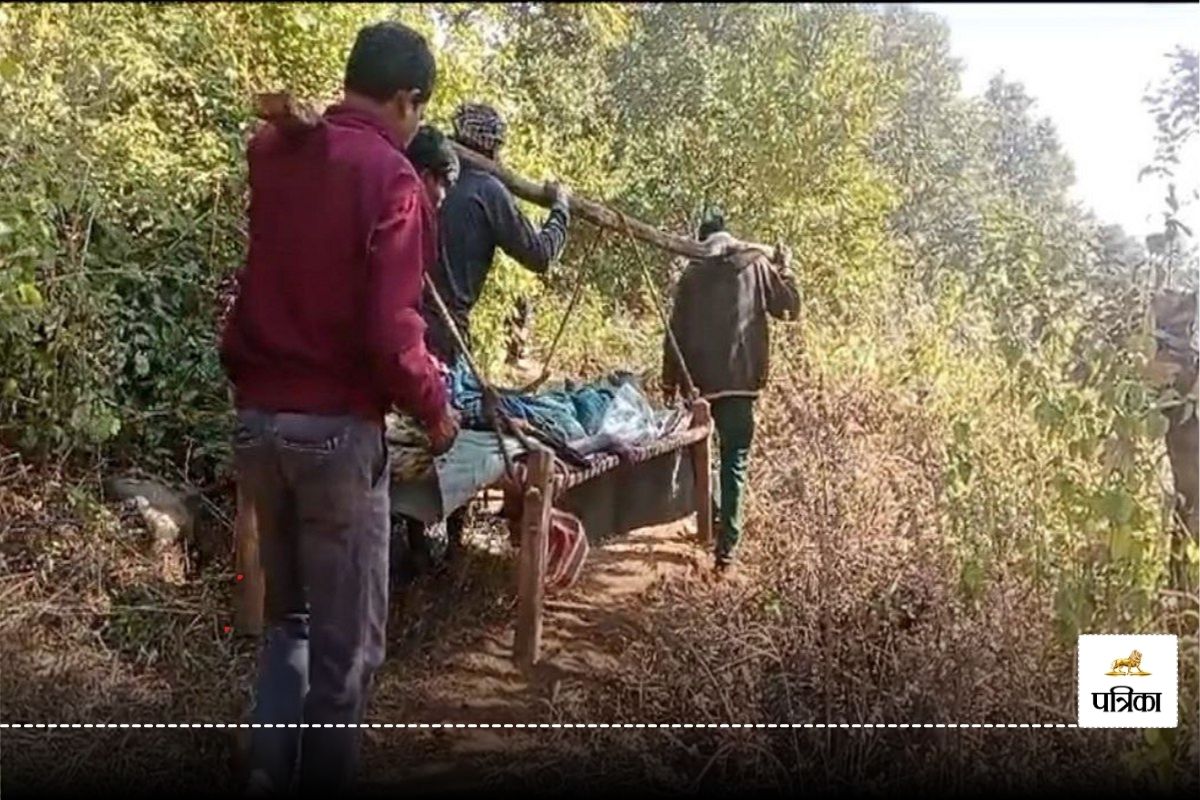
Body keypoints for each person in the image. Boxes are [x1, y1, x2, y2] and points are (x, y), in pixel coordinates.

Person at [219, 22, 458, 795]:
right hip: (335, 437)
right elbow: (392, 333)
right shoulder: (391, 178)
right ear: (403, 101)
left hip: (258, 423)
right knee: (345, 651)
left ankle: (266, 774)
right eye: (417, 110)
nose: (415, 122)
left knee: (286, 624)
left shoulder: (276, 152)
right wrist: (435, 408)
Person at [419, 102, 573, 562]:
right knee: (455, 429)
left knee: (408, 429)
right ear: (493, 147)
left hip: (397, 327)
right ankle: (449, 544)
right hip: (447, 337)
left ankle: (414, 542)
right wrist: (561, 210)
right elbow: (541, 255)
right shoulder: (487, 189)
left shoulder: (423, 179)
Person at [662, 213, 799, 572]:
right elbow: (790, 308)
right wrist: (784, 269)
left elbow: (674, 331)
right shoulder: (756, 264)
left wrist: (668, 381)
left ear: (701, 239)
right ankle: (727, 550)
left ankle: (715, 518)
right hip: (741, 385)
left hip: (700, 387)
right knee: (734, 461)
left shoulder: (693, 274)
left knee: (698, 457)